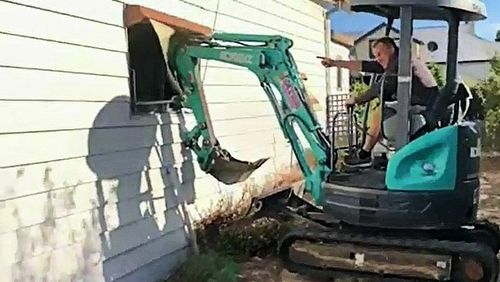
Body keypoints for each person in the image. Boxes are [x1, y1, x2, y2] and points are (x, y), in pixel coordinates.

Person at [318, 37, 439, 168]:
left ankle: (364, 155)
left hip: (423, 107)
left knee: (379, 113)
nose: (378, 58)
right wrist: (335, 63)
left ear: (391, 49)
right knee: (382, 111)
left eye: (379, 54)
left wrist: (356, 100)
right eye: (375, 55)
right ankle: (375, 153)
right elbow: (364, 65)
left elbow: (380, 88)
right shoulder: (398, 60)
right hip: (420, 104)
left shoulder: (401, 64)